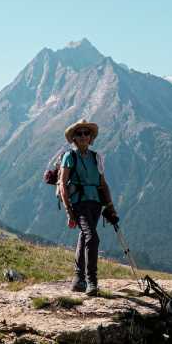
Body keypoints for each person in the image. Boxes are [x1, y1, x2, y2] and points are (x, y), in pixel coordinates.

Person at [57, 119, 117, 296]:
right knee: (92, 237)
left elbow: (103, 183)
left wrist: (110, 206)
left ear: (91, 137)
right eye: (79, 133)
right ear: (74, 138)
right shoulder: (70, 156)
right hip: (79, 202)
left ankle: (78, 280)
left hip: (96, 203)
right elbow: (62, 183)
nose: (83, 136)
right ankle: (92, 281)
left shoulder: (96, 157)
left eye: (86, 133)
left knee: (84, 236)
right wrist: (69, 211)